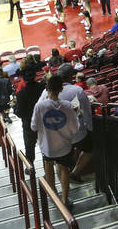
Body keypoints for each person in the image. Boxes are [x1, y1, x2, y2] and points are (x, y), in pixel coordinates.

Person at [39, 65, 93, 184]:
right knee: (90, 149)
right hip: (77, 133)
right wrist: (89, 128)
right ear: (71, 77)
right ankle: (74, 173)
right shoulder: (77, 90)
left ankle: (65, 185)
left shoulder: (45, 92)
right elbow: (87, 113)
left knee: (60, 161)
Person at [32, 75, 80, 210]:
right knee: (64, 169)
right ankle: (65, 199)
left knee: (48, 167)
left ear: (47, 88)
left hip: (47, 146)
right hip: (64, 146)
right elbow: (75, 128)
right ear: (61, 89)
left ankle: (53, 196)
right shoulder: (68, 106)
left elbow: (33, 127)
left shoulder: (39, 106)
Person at [13, 66, 45, 162]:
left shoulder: (21, 93)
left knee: (29, 147)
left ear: (23, 78)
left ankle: (30, 167)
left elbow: (19, 113)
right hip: (44, 121)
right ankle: (48, 169)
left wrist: (14, 108)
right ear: (35, 76)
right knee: (45, 145)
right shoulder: (42, 88)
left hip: (29, 123)